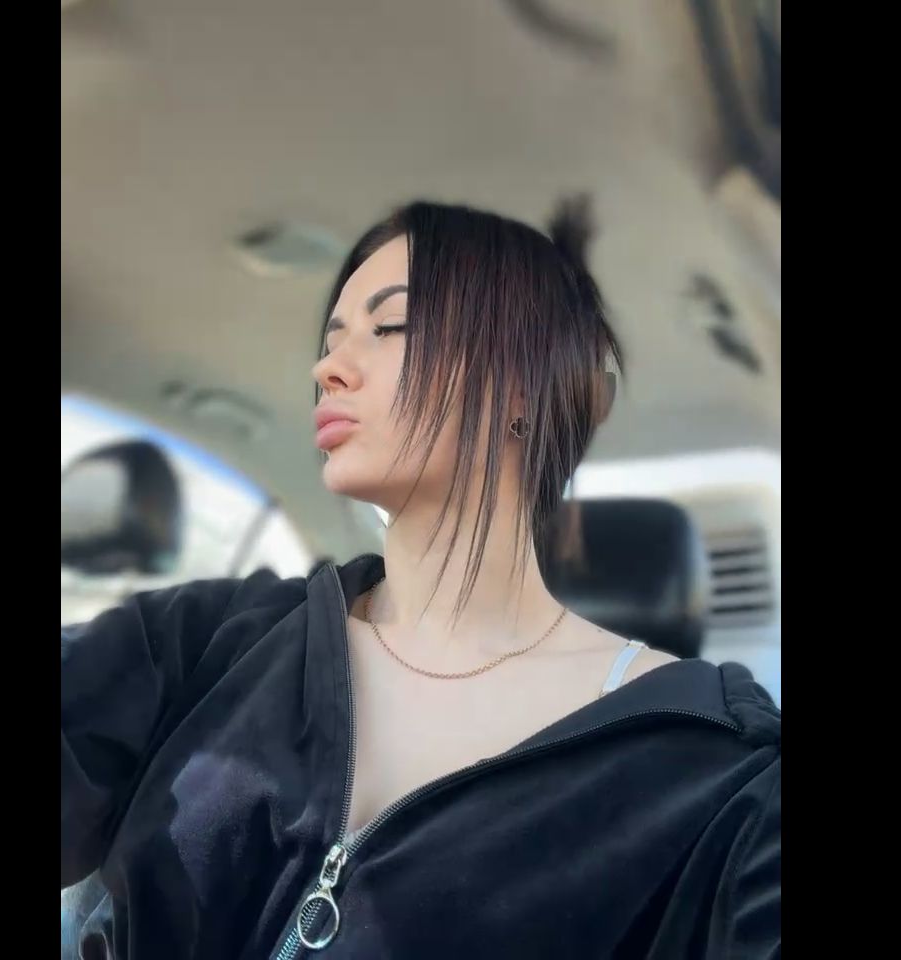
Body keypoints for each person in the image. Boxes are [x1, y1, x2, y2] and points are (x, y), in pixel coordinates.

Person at [61, 197, 780, 959]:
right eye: (332, 338)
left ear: (520, 381)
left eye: (389, 326)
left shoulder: (712, 772)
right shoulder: (204, 644)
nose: (327, 368)